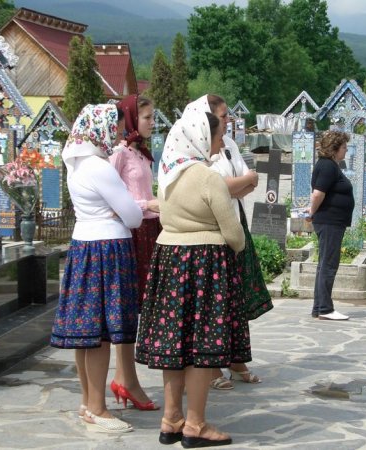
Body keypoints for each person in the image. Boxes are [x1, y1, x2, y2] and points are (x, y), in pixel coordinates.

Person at [136, 111, 249, 448]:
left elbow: (166, 217)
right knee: (202, 345)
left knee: (175, 344)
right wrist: (237, 245)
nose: (219, 142)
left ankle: (171, 419)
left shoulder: (168, 176)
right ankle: (196, 425)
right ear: (201, 138)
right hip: (205, 263)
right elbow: (232, 232)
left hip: (169, 261)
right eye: (216, 136)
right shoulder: (207, 177)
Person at [50, 104, 143, 433]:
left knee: (84, 333)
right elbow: (133, 216)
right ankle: (98, 409)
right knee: (100, 334)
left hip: (82, 245)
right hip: (106, 248)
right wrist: (121, 214)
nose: (117, 133)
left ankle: (88, 402)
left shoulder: (74, 164)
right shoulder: (100, 167)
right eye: (114, 127)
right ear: (100, 128)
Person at [184, 94, 273, 390]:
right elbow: (218, 187)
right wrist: (243, 182)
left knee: (234, 299)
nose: (227, 121)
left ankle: (236, 361)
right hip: (212, 231)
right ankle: (211, 366)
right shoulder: (195, 146)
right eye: (222, 117)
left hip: (234, 220)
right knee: (214, 301)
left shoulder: (229, 144)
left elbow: (246, 184)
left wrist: (241, 184)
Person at [108, 95, 159, 411]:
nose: (152, 123)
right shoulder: (119, 154)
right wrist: (147, 205)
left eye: (153, 117)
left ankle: (126, 377)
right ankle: (126, 378)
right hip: (131, 232)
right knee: (129, 306)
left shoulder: (142, 154)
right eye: (147, 118)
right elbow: (113, 200)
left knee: (141, 307)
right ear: (130, 120)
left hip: (150, 230)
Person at [309, 130, 354, 321]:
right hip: (329, 221)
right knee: (328, 264)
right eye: (344, 147)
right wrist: (310, 213)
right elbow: (318, 193)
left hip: (332, 221)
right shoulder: (328, 166)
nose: (346, 150)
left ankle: (319, 307)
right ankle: (325, 309)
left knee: (325, 264)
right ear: (335, 149)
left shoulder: (330, 165)